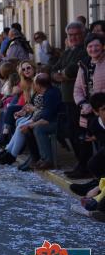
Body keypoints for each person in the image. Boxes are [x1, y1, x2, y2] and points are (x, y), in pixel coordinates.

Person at [52, 21, 90, 178]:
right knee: (72, 133)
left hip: (81, 99)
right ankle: (80, 164)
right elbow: (54, 70)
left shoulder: (85, 51)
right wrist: (61, 74)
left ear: (83, 34)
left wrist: (64, 74)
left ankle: (85, 167)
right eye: (70, 35)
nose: (73, 37)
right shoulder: (68, 52)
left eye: (76, 34)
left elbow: (72, 70)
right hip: (67, 98)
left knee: (81, 134)